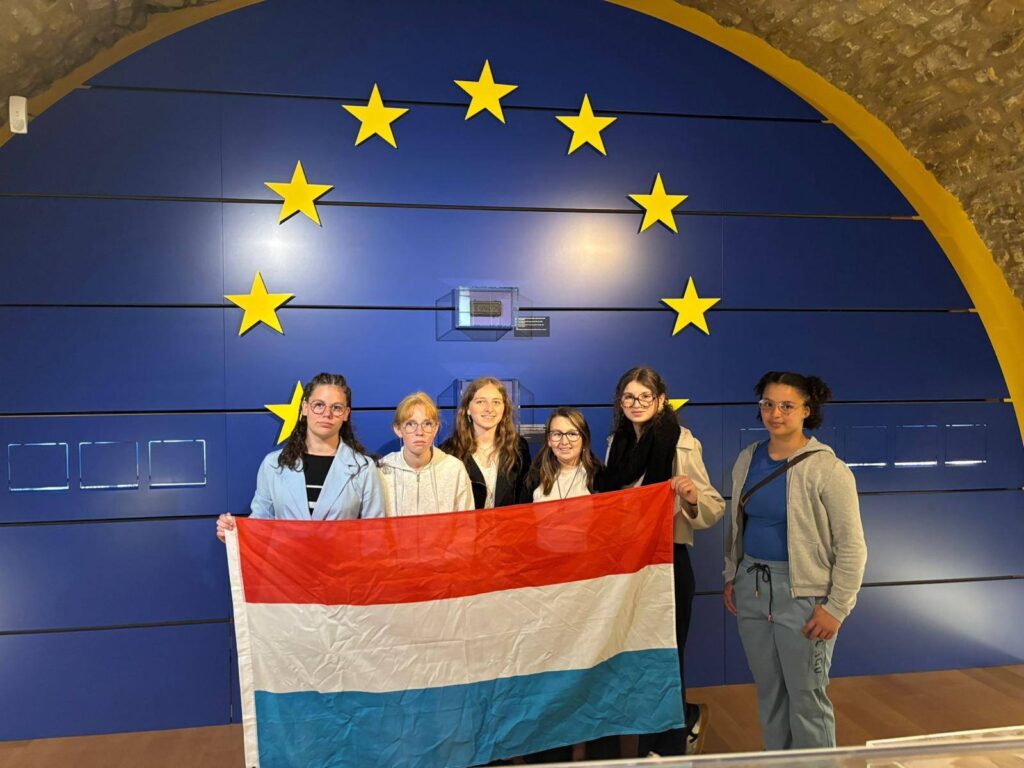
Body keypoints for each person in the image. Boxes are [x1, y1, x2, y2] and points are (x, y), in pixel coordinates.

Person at [723, 371, 866, 750]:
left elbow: (852, 546)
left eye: (787, 406)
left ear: (807, 410)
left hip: (803, 594)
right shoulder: (747, 459)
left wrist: (836, 608)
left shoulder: (828, 469)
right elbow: (736, 524)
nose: (775, 414)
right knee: (769, 692)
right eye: (768, 404)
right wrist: (732, 574)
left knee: (807, 698)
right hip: (752, 587)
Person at [604, 366, 725, 757]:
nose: (636, 404)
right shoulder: (616, 444)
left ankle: (666, 751)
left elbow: (713, 506)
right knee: (637, 657)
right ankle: (671, 725)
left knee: (665, 658)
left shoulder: (681, 441)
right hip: (627, 565)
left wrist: (690, 497)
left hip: (667, 562)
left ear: (660, 400)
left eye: (645, 397)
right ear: (620, 402)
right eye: (629, 397)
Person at [216, 372, 383, 540]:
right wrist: (232, 534)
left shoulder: (363, 468)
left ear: (346, 413)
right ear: (305, 407)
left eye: (336, 408)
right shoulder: (273, 464)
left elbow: (374, 534)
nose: (327, 414)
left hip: (342, 558)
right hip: (285, 558)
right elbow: (259, 526)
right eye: (319, 405)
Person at [378, 392, 475, 516]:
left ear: (435, 429)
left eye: (427, 424)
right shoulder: (382, 470)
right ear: (398, 429)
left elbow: (466, 521)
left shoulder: (454, 469)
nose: (419, 432)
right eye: (410, 424)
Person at [441, 377, 531, 510]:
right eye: (481, 402)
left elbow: (525, 500)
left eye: (496, 402)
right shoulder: (449, 451)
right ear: (467, 408)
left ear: (504, 409)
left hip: (509, 523)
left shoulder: (519, 447)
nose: (489, 409)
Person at [521, 407, 604, 504]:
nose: (564, 442)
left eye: (572, 434)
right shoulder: (534, 477)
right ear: (549, 440)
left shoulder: (599, 477)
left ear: (584, 440)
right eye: (557, 434)